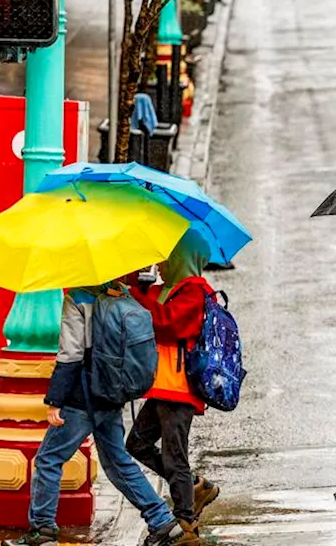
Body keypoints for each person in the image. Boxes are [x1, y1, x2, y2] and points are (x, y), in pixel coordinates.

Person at [3, 284, 189, 546]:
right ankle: (162, 521)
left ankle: (42, 532)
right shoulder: (122, 293)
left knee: (48, 460)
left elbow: (71, 354)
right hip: (111, 395)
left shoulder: (77, 299)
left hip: (81, 399)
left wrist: (55, 400)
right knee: (117, 463)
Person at [128, 229, 221, 540]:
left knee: (174, 455)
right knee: (137, 444)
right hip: (162, 385)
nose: (162, 264)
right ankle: (194, 486)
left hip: (180, 389)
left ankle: (185, 522)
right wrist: (136, 282)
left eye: (169, 257)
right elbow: (142, 300)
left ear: (183, 259)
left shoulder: (195, 292)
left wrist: (139, 295)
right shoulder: (171, 289)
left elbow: (165, 323)